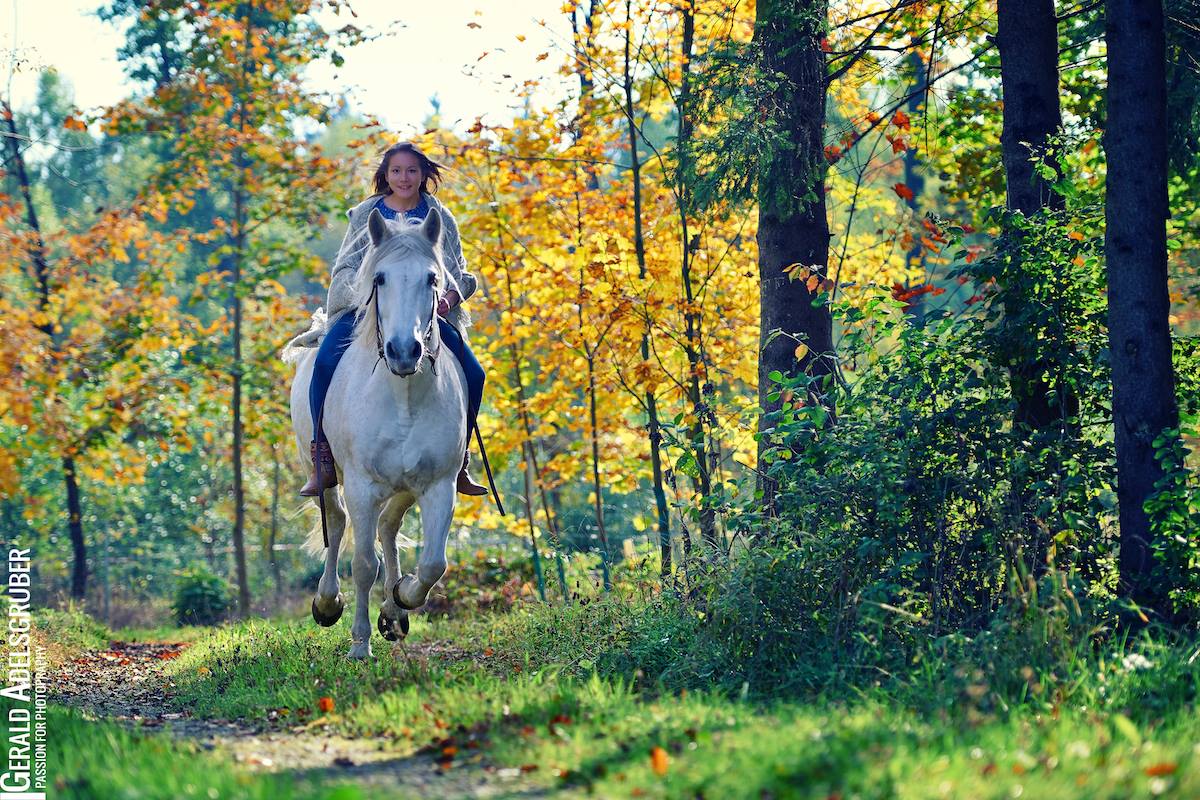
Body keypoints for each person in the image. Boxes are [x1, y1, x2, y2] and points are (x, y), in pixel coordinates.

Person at [300, 142, 488, 498]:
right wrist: (369, 297)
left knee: (474, 372)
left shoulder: (439, 216)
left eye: (412, 171)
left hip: (427, 314)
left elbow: (459, 273)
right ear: (385, 175)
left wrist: (448, 299)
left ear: (423, 175)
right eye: (397, 171)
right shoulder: (366, 214)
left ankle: (460, 460)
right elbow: (345, 268)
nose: (404, 178)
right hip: (368, 309)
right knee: (324, 360)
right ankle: (322, 458)